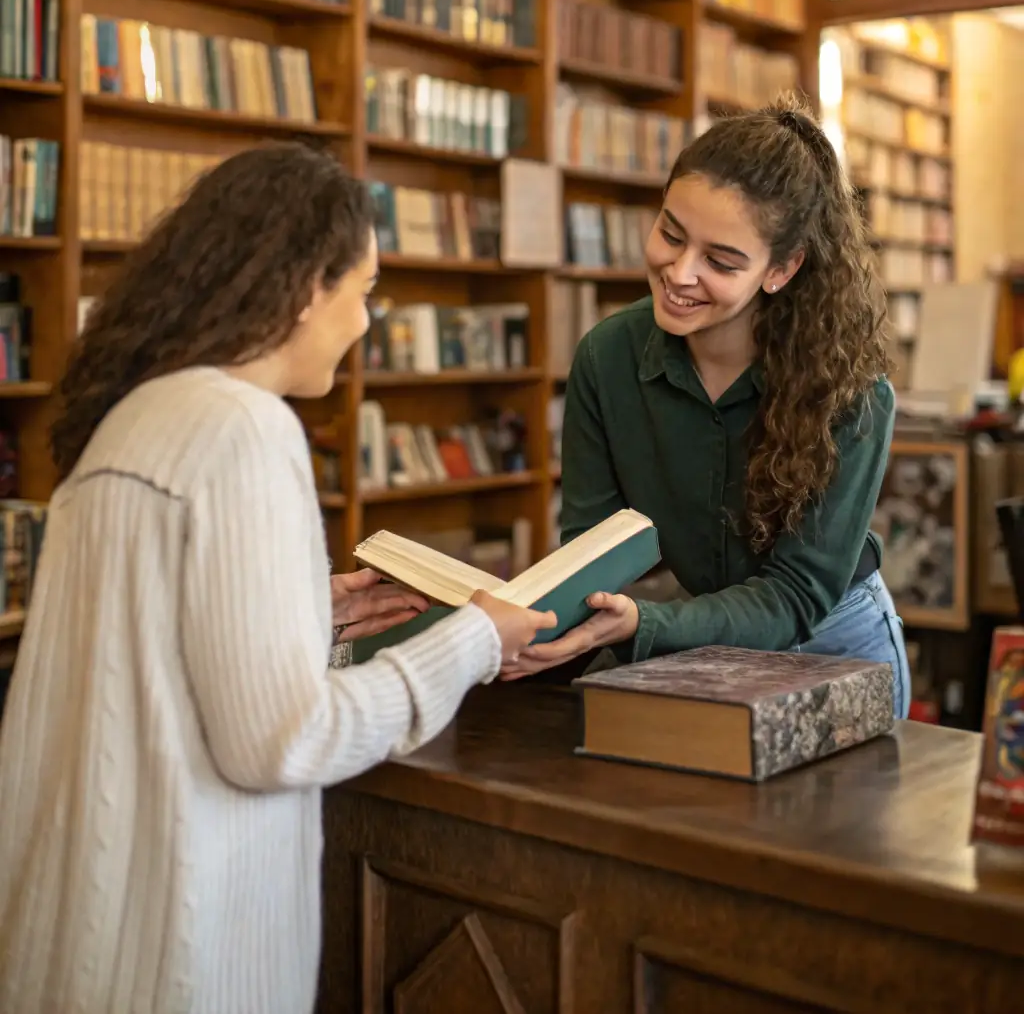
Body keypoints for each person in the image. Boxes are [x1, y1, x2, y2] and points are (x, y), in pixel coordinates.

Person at [0, 142, 554, 1014]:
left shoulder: (135, 417)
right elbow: (283, 741)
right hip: (184, 946)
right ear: (305, 289)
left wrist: (305, 615)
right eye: (363, 292)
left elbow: (152, 666)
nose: (367, 322)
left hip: (82, 926)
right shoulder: (247, 429)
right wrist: (475, 639)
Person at [504, 99, 910, 718]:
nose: (679, 272)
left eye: (720, 261)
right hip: (694, 643)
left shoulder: (850, 389)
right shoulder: (607, 359)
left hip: (834, 644)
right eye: (670, 233)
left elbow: (796, 596)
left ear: (781, 268)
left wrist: (646, 623)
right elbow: (590, 553)